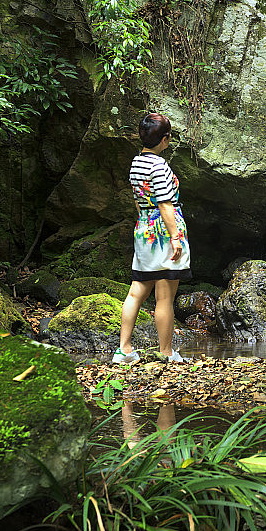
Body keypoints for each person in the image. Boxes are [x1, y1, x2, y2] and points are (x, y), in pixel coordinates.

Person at [112, 113, 191, 364]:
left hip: (144, 228)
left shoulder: (136, 163)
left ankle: (123, 350)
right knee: (165, 296)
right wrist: (175, 237)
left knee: (136, 291)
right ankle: (166, 352)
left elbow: (138, 201)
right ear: (165, 140)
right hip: (164, 232)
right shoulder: (160, 166)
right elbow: (166, 205)